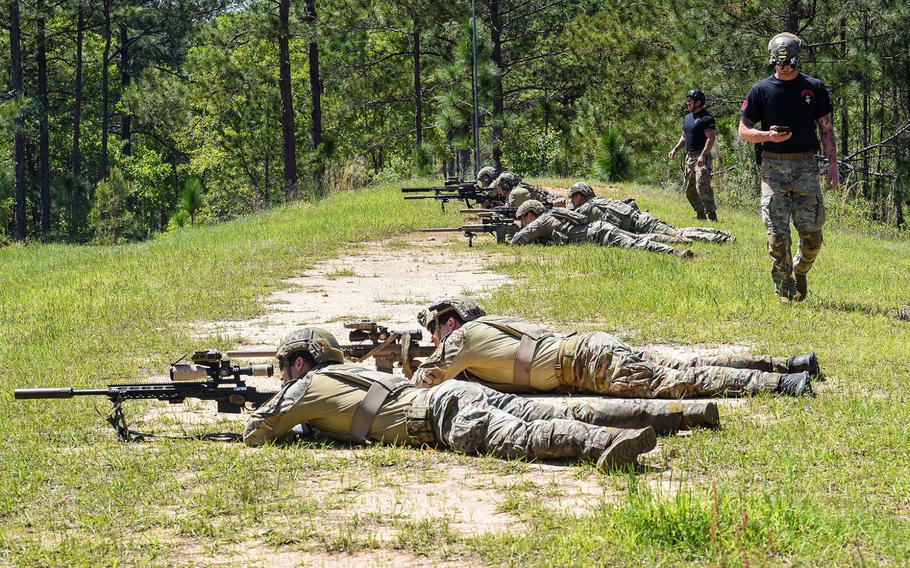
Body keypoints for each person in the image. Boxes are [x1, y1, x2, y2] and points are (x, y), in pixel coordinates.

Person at [243, 327, 659, 471]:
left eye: (284, 367)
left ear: (299, 364)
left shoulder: (303, 389)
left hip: (439, 414)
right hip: (453, 394)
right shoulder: (345, 372)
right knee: (538, 413)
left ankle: (604, 443)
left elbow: (254, 433)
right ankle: (641, 424)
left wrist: (294, 422)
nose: (282, 376)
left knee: (524, 437)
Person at [411, 297, 817, 398]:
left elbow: (426, 379)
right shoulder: (491, 328)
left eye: (434, 330)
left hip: (586, 362)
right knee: (685, 364)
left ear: (451, 323)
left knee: (678, 382)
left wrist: (411, 369)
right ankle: (785, 364)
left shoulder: (462, 338)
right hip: (588, 350)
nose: (434, 339)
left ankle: (782, 384)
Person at [738, 32, 839, 301]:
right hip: (773, 169)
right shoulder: (760, 90)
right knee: (776, 236)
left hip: (806, 167)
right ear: (772, 61)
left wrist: (833, 166)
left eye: (789, 63)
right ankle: (784, 287)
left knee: (813, 238)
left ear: (799, 58)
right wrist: (767, 136)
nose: (784, 68)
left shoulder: (814, 87)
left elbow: (827, 130)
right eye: (779, 63)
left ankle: (799, 270)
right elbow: (743, 131)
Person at [510, 199, 695, 258]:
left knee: (638, 245)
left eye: (522, 219)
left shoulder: (540, 221)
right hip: (600, 229)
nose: (523, 223)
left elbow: (517, 241)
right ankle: (675, 242)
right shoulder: (553, 215)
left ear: (530, 215)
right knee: (640, 239)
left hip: (600, 233)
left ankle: (676, 252)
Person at [566, 182, 734, 244]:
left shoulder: (585, 208)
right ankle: (721, 235)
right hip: (643, 219)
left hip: (638, 225)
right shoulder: (598, 200)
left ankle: (720, 238)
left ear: (579, 196)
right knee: (679, 231)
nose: (572, 200)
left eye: (573, 197)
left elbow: (571, 216)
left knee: (678, 236)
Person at [669, 88, 718, 221]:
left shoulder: (706, 118)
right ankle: (700, 214)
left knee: (702, 186)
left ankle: (712, 216)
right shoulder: (687, 118)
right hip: (689, 157)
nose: (688, 103)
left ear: (698, 102)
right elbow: (684, 136)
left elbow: (711, 138)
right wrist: (675, 149)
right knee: (688, 190)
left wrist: (703, 155)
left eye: (690, 101)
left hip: (701, 156)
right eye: (688, 100)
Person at [490, 171, 565, 207]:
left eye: (499, 187)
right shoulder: (519, 188)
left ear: (505, 185)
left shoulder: (518, 192)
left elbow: (516, 211)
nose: (499, 191)